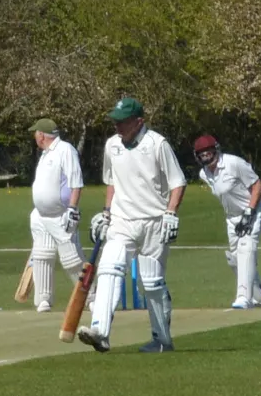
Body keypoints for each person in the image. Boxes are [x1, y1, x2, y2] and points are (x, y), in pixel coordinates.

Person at [83, 97, 185, 354]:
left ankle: (162, 340)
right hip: (122, 221)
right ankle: (100, 332)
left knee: (151, 284)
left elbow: (177, 182)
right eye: (115, 121)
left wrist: (171, 213)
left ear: (139, 121)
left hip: (153, 223)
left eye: (122, 122)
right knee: (108, 269)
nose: (117, 126)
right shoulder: (112, 145)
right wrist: (107, 213)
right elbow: (112, 182)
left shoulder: (157, 144)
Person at [193, 133, 261, 309]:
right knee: (235, 258)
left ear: (216, 150)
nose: (206, 157)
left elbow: (257, 185)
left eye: (208, 153)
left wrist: (249, 211)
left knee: (246, 249)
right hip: (232, 218)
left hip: (253, 210)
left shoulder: (234, 163)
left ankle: (244, 297)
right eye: (202, 154)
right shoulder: (204, 174)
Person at [22, 123, 85, 315]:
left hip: (61, 214)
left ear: (42, 135)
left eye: (35, 134)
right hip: (41, 215)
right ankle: (43, 300)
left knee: (71, 259)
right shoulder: (45, 154)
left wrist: (72, 209)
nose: (34, 137)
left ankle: (90, 298)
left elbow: (76, 182)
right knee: (42, 255)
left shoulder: (65, 150)